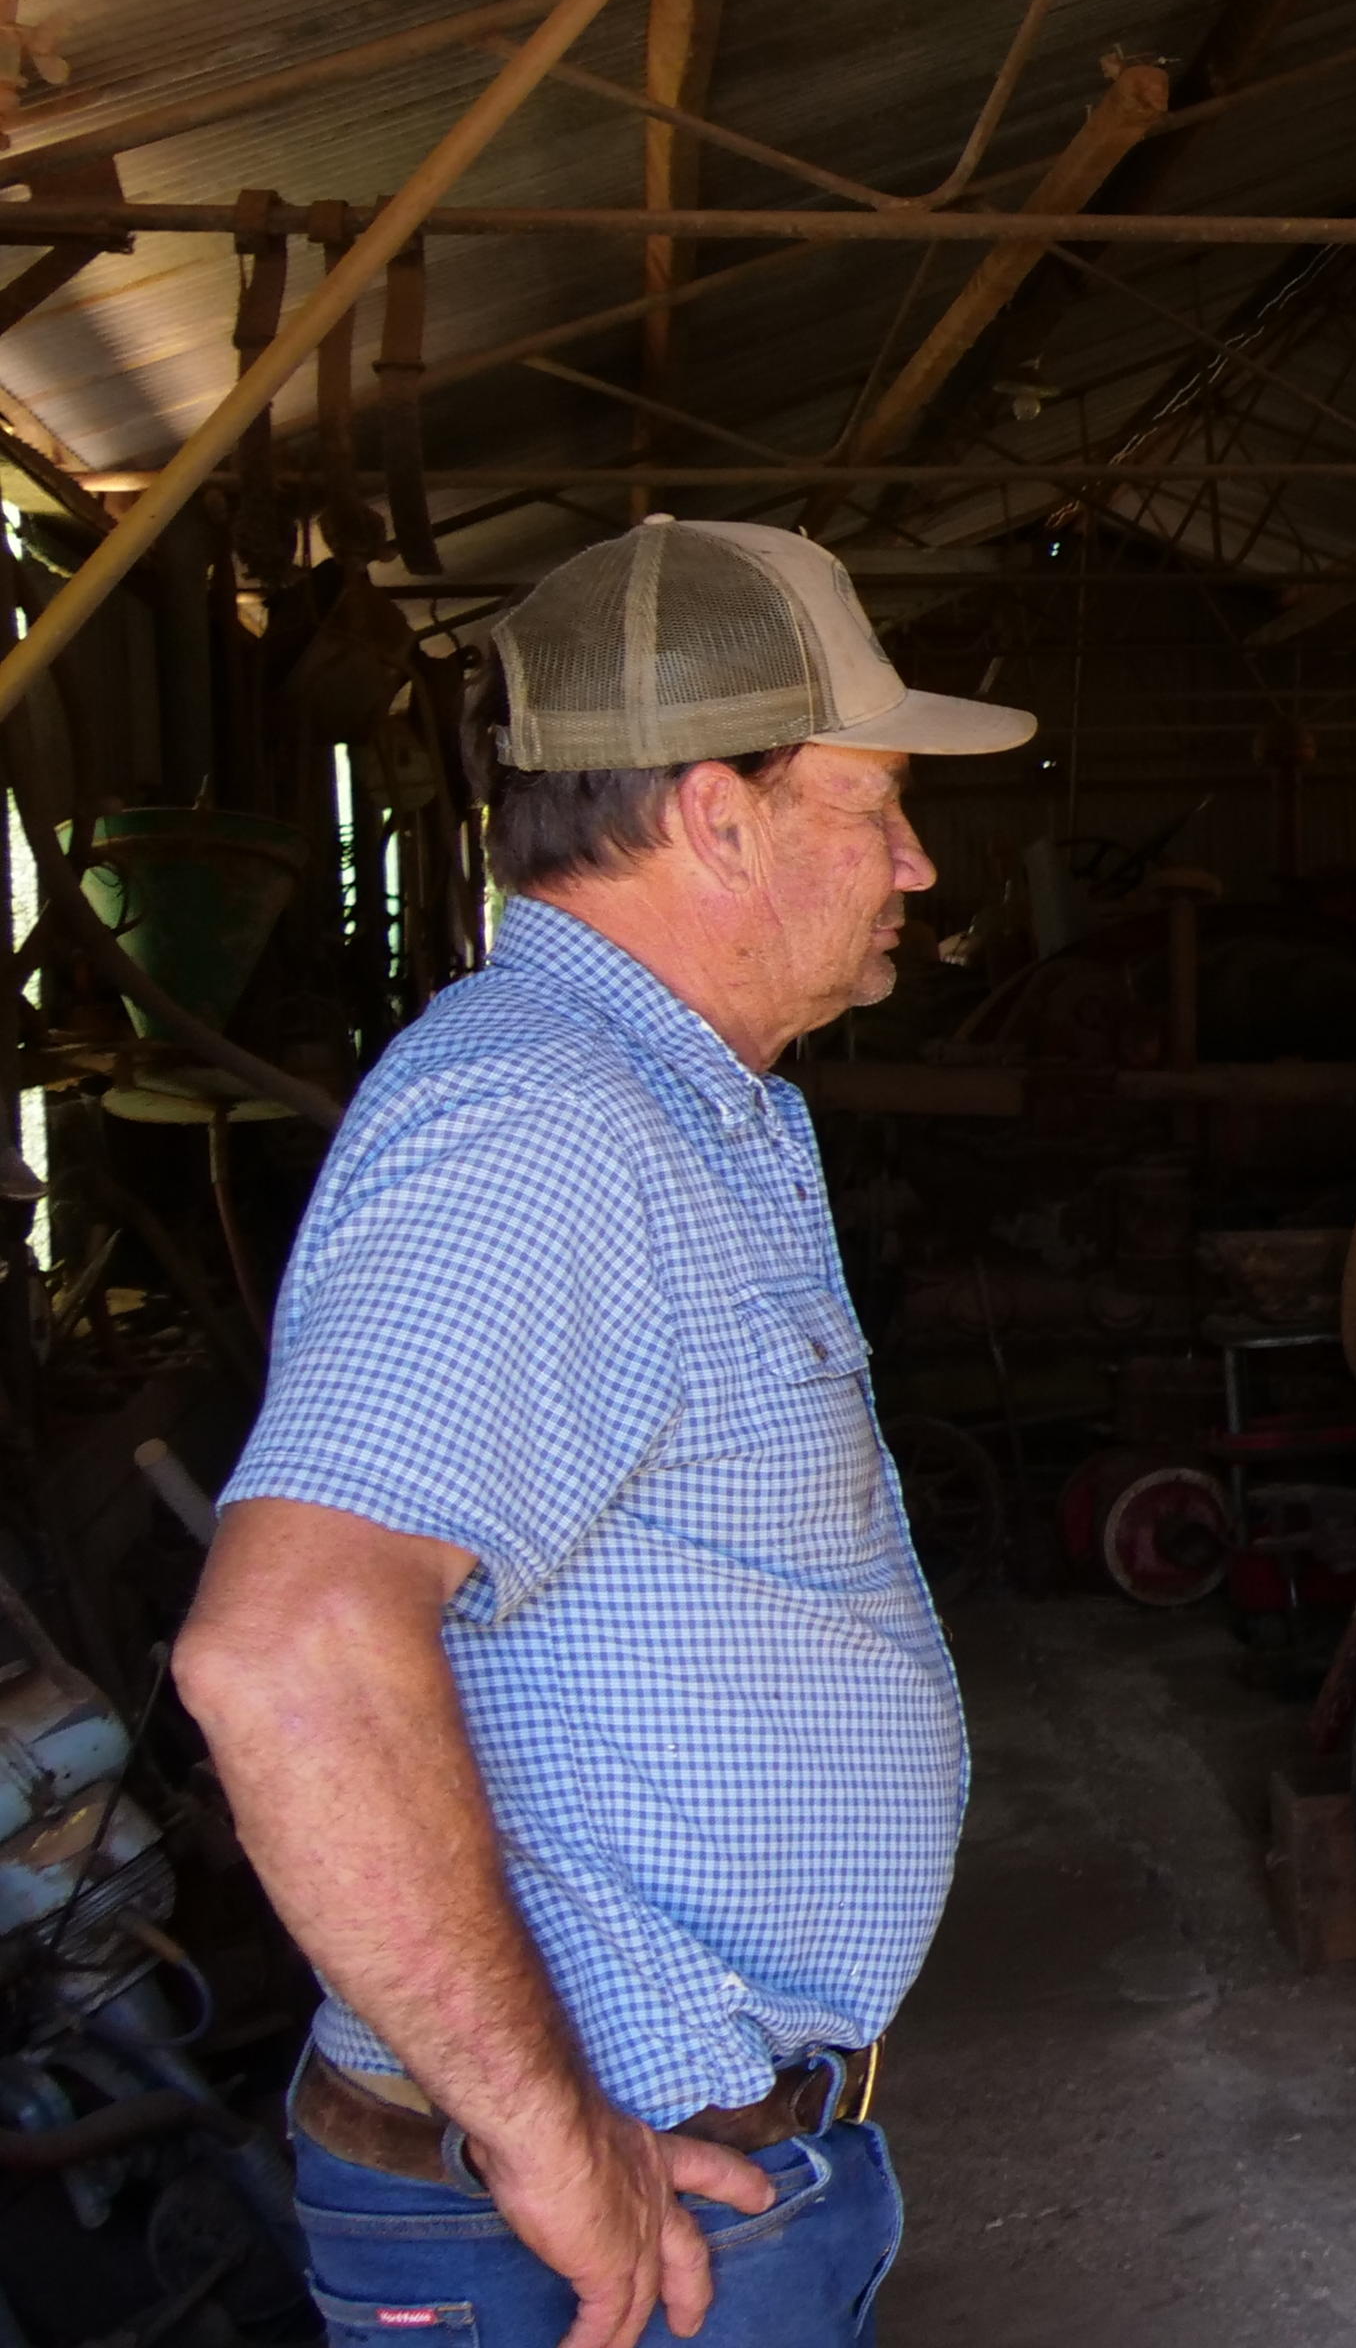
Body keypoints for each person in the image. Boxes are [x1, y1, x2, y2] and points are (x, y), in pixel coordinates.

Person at [175, 518, 1032, 2348]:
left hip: (722, 2178)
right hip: (580, 2231)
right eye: (872, 802)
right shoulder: (542, 1124)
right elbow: (289, 1649)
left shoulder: (683, 1105)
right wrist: (552, 2143)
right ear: (716, 817)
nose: (917, 859)